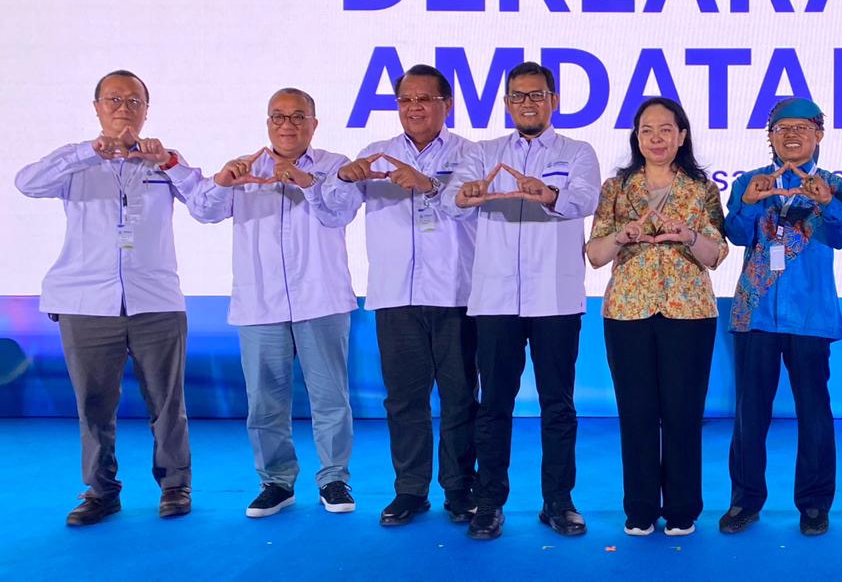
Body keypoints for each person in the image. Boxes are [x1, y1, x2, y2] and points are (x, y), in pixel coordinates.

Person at [15, 70, 196, 526]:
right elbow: (26, 182)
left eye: (134, 101)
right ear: (97, 108)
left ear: (146, 111)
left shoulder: (162, 162)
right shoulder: (77, 162)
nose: (123, 108)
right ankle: (101, 491)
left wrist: (170, 161)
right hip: (86, 301)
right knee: (93, 404)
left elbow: (208, 203)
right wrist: (86, 152)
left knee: (167, 402)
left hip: (155, 299)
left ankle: (175, 484)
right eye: (113, 100)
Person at [176, 88, 358, 518]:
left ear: (314, 124)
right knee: (264, 402)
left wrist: (305, 181)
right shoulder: (245, 167)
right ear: (268, 123)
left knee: (330, 398)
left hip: (321, 299)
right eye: (278, 116)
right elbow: (204, 211)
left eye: (298, 116)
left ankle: (334, 479)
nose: (287, 125)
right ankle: (276, 482)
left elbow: (340, 212)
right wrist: (223, 182)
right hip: (260, 303)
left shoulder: (334, 166)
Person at [442, 61, 602, 540]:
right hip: (495, 299)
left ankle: (558, 502)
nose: (527, 103)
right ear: (507, 103)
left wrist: (548, 193)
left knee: (558, 405)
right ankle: (489, 503)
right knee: (493, 405)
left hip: (555, 296)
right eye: (518, 96)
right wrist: (468, 193)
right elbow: (450, 201)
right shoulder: (483, 152)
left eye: (536, 95)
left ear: (553, 101)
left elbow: (585, 200)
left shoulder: (577, 151)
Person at [321, 64, 482, 527]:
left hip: (456, 293)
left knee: (459, 397)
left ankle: (459, 488)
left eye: (424, 99)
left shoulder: (470, 154)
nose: (414, 108)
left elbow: (477, 212)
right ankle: (410, 489)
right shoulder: (376, 154)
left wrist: (429, 184)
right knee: (404, 400)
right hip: (394, 296)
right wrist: (343, 179)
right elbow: (334, 214)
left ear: (446, 104)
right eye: (405, 100)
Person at [585, 98, 728, 537]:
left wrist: (688, 236)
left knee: (684, 413)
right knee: (636, 413)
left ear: (681, 136)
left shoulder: (701, 189)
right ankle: (640, 507)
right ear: (637, 137)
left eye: (666, 129)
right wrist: (622, 235)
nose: (656, 138)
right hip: (628, 311)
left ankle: (682, 508)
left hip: (689, 311)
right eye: (647, 130)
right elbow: (594, 255)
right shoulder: (616, 188)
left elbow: (717, 254)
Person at [719, 97, 842, 537]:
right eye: (783, 128)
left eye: (802, 128)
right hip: (755, 312)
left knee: (814, 412)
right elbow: (735, 234)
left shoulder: (834, 184)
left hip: (810, 315)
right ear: (771, 137)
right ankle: (744, 501)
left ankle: (814, 504)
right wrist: (747, 203)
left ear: (819, 135)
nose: (792, 135)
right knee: (749, 413)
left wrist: (829, 204)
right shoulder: (750, 181)